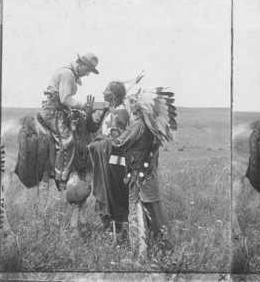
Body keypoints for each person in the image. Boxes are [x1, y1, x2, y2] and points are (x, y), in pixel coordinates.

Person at [111, 87, 177, 259]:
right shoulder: (149, 126)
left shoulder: (138, 125)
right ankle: (164, 249)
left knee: (135, 215)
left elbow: (118, 143)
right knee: (154, 214)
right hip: (148, 177)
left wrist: (113, 127)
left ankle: (139, 256)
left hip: (138, 179)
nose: (129, 107)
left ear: (138, 107)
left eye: (132, 104)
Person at [40, 53, 99, 191]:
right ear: (82, 64)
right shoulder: (68, 74)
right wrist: (82, 106)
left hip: (58, 110)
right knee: (67, 143)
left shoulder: (68, 72)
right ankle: (62, 182)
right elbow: (65, 99)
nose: (88, 74)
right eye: (88, 70)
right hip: (54, 112)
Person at [88, 82, 130, 234]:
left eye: (107, 90)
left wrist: (95, 145)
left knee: (111, 193)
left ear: (115, 95)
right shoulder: (109, 111)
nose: (103, 91)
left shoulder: (121, 112)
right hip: (103, 159)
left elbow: (117, 141)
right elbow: (97, 131)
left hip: (113, 163)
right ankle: (109, 229)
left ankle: (116, 231)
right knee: (103, 192)